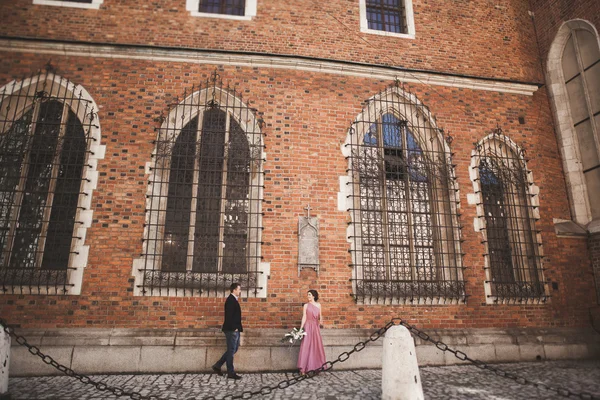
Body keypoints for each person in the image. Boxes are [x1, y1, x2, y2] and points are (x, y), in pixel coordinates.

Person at [211, 282, 243, 380]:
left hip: (234, 329)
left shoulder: (233, 300)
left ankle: (217, 365)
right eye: (239, 289)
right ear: (234, 290)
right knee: (232, 350)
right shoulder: (230, 300)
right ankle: (230, 372)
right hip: (231, 330)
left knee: (233, 349)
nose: (240, 291)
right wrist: (234, 328)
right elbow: (229, 316)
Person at [297, 289, 326, 375]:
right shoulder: (306, 305)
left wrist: (321, 320)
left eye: (309, 295)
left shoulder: (319, 305)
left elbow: (320, 316)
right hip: (308, 326)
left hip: (315, 327)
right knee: (306, 346)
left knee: (315, 346)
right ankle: (303, 369)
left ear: (313, 296)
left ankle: (315, 367)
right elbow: (304, 317)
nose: (308, 296)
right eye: (307, 295)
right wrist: (301, 329)